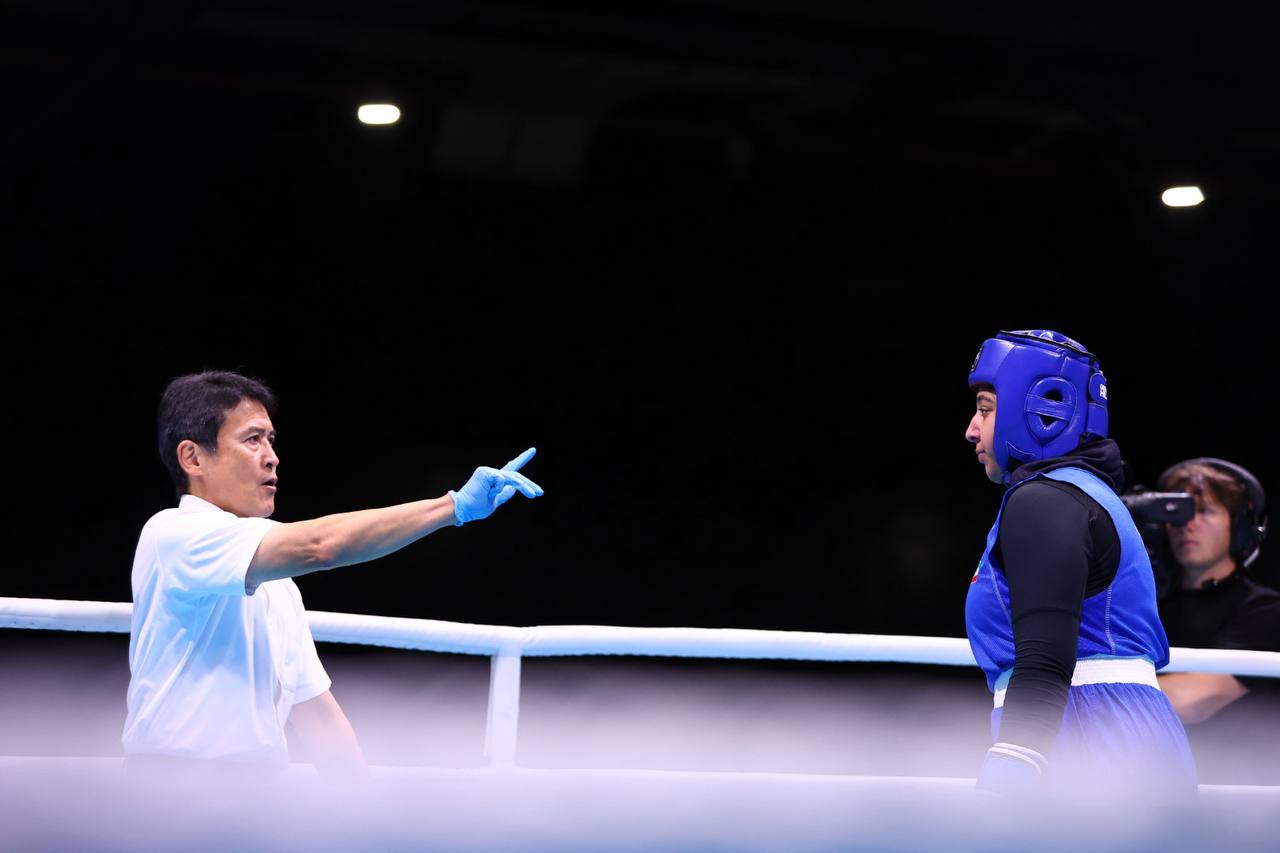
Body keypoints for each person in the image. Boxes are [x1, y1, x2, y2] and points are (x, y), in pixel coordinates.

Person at [122, 370, 543, 781]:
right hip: (171, 781)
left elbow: (317, 715)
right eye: (252, 439)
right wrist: (452, 508)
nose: (271, 457)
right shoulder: (173, 534)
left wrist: (362, 810)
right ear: (192, 457)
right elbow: (320, 546)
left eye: (270, 440)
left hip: (255, 791)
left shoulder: (275, 583)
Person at [963, 330, 1195, 800]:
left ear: (1039, 409)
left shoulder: (1044, 500)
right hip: (1118, 733)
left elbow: (1045, 660)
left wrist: (1008, 772)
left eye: (985, 409)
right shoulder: (1087, 494)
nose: (971, 429)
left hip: (1087, 734)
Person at [1153, 458, 1278, 783]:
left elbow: (1190, 701)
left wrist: (1092, 695)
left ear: (1238, 526)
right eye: (1178, 513)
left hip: (1238, 794)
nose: (1187, 524)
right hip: (1160, 788)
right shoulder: (1148, 609)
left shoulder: (1265, 610)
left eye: (1205, 511)